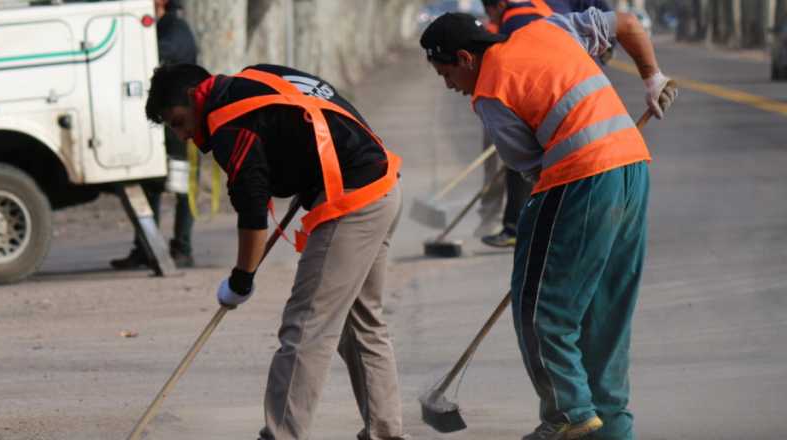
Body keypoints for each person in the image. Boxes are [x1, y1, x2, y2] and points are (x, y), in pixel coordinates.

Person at [421, 9, 676, 440]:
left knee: (540, 308)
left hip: (580, 180)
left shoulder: (489, 93)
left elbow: (533, 170)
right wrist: (652, 77)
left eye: (446, 73)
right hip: (632, 168)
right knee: (605, 312)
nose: (448, 86)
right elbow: (628, 22)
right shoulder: (547, 28)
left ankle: (568, 412)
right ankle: (611, 429)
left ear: (465, 58)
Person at [145, 63, 406, 440]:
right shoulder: (257, 77)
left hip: (353, 202)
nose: (184, 135)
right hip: (382, 185)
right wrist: (311, 171)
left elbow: (253, 214)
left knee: (305, 325)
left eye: (179, 121)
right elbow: (322, 115)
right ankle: (386, 433)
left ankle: (282, 434)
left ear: (193, 96)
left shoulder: (228, 125)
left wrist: (241, 280)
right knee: (362, 321)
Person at [476, 0, 613, 247]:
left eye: (489, 12)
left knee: (525, 164)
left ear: (496, 6)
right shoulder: (534, 7)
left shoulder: (515, 20)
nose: (491, 19)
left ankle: (518, 227)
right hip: (580, 80)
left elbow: (515, 66)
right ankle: (525, 225)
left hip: (567, 91)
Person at [111, 0, 199, 269]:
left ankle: (183, 249)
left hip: (181, 121)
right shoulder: (156, 26)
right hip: (159, 119)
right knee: (150, 183)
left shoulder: (175, 28)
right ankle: (146, 247)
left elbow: (154, 55)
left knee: (183, 184)